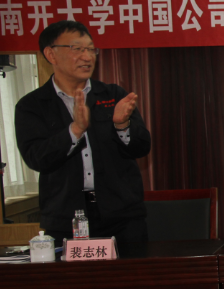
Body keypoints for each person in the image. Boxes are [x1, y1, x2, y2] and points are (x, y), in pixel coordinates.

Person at [15, 20, 151, 244]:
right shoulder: (32, 105)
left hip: (122, 216)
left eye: (90, 49)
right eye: (77, 49)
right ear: (51, 54)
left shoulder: (113, 95)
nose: (87, 57)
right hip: (65, 218)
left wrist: (121, 125)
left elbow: (142, 147)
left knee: (130, 267)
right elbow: (36, 158)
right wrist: (75, 130)